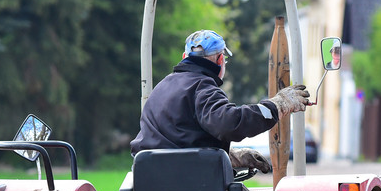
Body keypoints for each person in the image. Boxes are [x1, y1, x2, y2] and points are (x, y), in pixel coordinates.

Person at [130, 29, 310, 173]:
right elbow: (230, 123)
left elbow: (178, 140)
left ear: (185, 58)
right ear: (220, 60)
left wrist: (230, 156)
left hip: (152, 189)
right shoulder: (203, 88)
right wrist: (277, 105)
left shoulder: (161, 88)